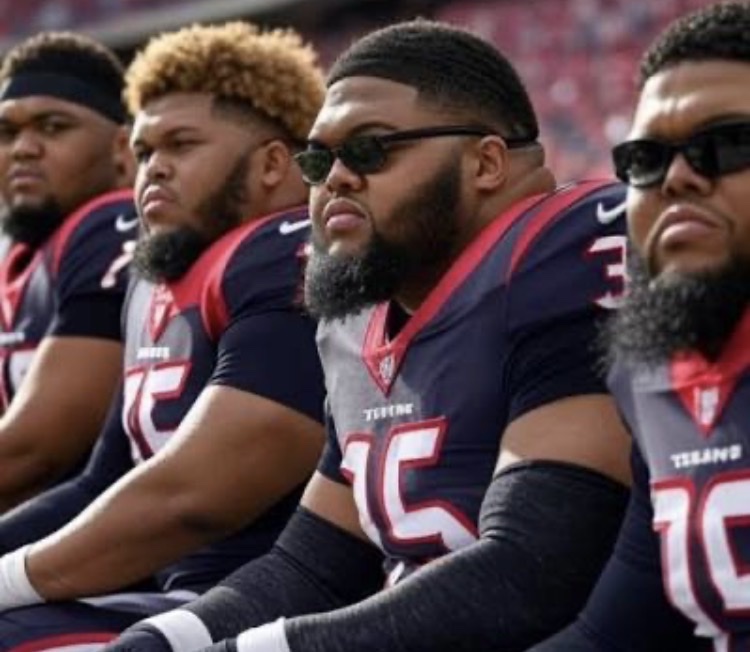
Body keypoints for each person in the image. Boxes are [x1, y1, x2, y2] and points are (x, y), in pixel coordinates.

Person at [105, 19, 634, 652]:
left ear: (487, 162)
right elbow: (314, 568)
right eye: (317, 159)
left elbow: (531, 570)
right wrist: (160, 640)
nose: (336, 177)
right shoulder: (354, 320)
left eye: (369, 149)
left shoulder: (561, 254)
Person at [0, 21, 327, 648]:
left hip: (272, 600)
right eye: (146, 151)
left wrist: (11, 578)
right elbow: (99, 481)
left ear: (272, 164)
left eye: (180, 145)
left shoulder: (286, 254)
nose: (154, 170)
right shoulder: (154, 281)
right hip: (172, 592)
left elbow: (196, 494)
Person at [527, 2, 750, 651]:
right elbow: (618, 629)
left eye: (726, 145)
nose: (677, 177)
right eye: (646, 157)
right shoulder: (647, 368)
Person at [0, 31, 137, 512]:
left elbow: (36, 451)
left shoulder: (111, 223)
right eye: (7, 133)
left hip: (118, 536)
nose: (23, 149)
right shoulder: (22, 254)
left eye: (53, 127)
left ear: (122, 149)